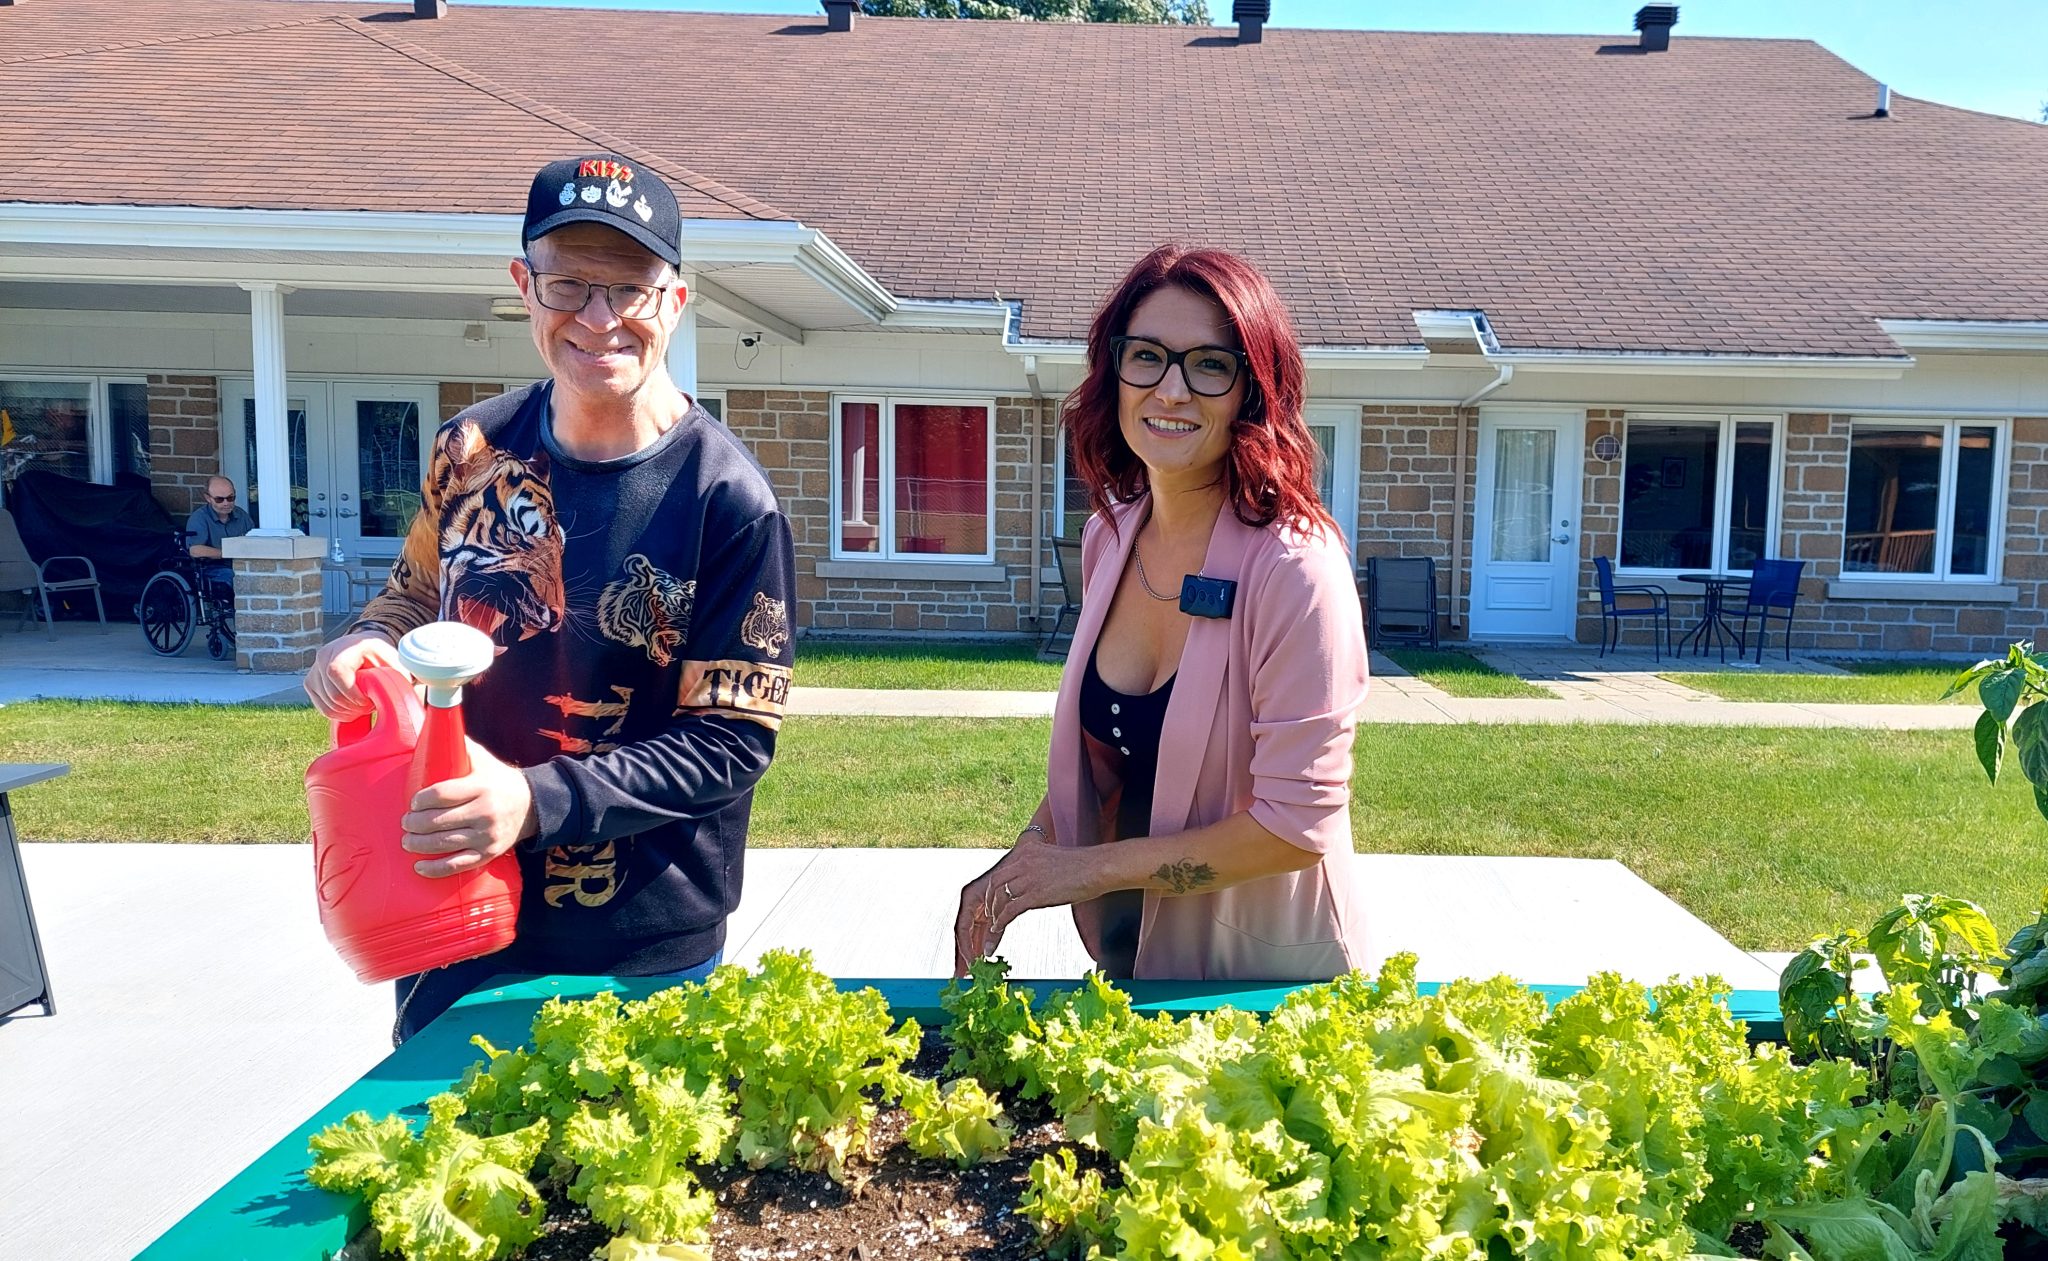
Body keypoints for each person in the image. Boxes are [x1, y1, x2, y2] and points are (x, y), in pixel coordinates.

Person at [304, 154, 797, 1042]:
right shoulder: (471, 449)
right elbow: (414, 596)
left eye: (631, 289)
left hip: (642, 943)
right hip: (449, 908)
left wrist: (533, 801)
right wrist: (365, 642)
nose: (599, 318)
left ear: (675, 303)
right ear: (524, 287)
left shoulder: (727, 501)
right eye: (569, 283)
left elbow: (731, 742)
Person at [954, 245, 1370, 981]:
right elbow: (1109, 756)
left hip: (1266, 974)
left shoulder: (1296, 569)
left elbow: (1295, 827)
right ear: (1113, 373)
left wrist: (1086, 869)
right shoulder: (1110, 537)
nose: (1171, 391)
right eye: (1146, 356)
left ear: (1252, 392)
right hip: (1133, 950)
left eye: (1209, 365)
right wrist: (1030, 858)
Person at [184, 475, 252, 598]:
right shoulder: (199, 518)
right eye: (220, 499)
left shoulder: (242, 515)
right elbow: (195, 550)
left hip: (241, 565)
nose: (226, 503)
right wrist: (227, 552)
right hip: (210, 568)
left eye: (230, 498)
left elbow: (254, 541)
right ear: (208, 498)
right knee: (234, 577)